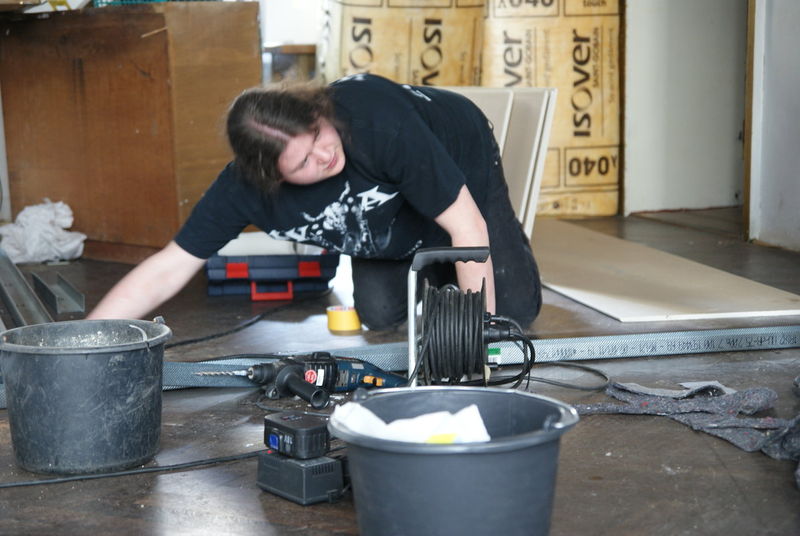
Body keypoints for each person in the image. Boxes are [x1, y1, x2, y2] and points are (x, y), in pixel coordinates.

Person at [88, 73, 542, 330]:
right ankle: (438, 264)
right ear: (271, 177)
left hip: (459, 154)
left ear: (318, 111)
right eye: (304, 160)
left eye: (318, 133)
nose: (325, 154)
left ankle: (458, 264)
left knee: (511, 314)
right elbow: (168, 267)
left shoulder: (379, 125)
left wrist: (477, 336)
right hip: (386, 212)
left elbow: (467, 227)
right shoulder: (242, 189)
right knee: (381, 316)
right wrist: (85, 339)